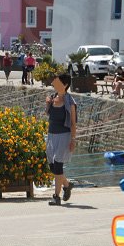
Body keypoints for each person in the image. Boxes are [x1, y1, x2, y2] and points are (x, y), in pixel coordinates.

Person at [46, 74, 77, 206]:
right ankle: (67, 185)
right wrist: (48, 104)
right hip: (51, 135)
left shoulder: (70, 102)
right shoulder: (52, 98)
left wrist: (73, 140)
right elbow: (48, 114)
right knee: (52, 167)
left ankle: (56, 196)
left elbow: (73, 123)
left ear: (65, 85)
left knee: (58, 165)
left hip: (64, 135)